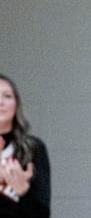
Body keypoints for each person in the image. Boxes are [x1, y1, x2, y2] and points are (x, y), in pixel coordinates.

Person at [0, 74, 51, 218]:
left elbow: (42, 213)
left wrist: (23, 191)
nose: (1, 102)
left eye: (7, 96)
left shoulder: (33, 148)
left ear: (16, 104)